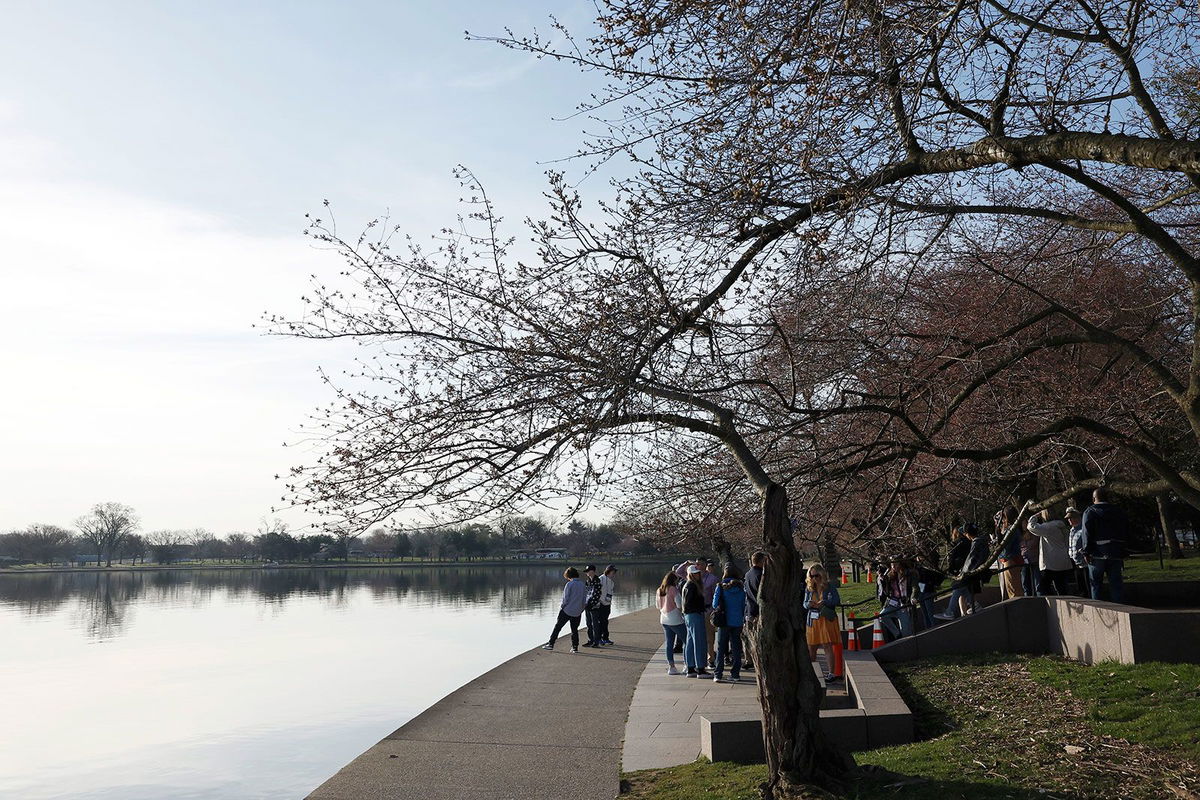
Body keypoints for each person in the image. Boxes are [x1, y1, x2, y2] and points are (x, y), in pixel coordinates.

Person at [1082, 487, 1129, 603]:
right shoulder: (1117, 511)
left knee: (1096, 584)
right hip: (1115, 552)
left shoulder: (1090, 512)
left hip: (1097, 553)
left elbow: (1087, 533)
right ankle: (1120, 609)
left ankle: (1098, 610)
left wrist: (1086, 551)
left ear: (1094, 498)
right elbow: (1125, 530)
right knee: (1116, 584)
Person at [804, 563, 841, 681]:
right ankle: (812, 673)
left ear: (822, 574)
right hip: (813, 620)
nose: (814, 578)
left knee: (827, 646)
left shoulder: (829, 587)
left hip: (825, 619)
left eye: (816, 575)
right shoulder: (809, 589)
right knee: (812, 648)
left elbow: (836, 600)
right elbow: (804, 604)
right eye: (812, 576)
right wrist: (808, 604)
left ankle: (831, 673)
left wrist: (824, 602)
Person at [711, 565, 746, 682]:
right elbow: (743, 605)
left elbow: (715, 604)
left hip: (723, 620)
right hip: (737, 621)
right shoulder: (741, 588)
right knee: (736, 648)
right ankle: (735, 674)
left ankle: (718, 674)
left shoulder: (720, 587)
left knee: (721, 648)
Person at [1027, 508, 1074, 595]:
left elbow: (1031, 526)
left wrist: (1035, 516)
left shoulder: (1048, 527)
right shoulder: (1061, 526)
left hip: (1050, 563)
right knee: (1061, 587)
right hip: (1063, 560)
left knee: (1044, 588)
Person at [542, 567, 586, 653]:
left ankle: (551, 644)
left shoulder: (569, 584)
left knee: (558, 627)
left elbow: (566, 599)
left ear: (569, 576)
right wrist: (581, 609)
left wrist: (562, 607)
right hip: (577, 611)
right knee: (574, 630)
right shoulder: (582, 584)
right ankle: (575, 647)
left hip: (567, 610)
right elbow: (584, 599)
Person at [876, 556, 919, 639]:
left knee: (906, 631)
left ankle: (908, 643)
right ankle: (897, 634)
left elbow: (915, 587)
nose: (893, 567)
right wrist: (883, 581)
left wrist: (913, 597)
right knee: (882, 616)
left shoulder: (910, 574)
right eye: (892, 565)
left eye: (895, 564)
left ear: (901, 564)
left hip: (904, 604)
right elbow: (887, 592)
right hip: (893, 602)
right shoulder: (890, 575)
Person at [935, 526, 972, 620]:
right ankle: (974, 604)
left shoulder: (959, 544)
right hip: (964, 569)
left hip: (960, 570)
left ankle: (950, 611)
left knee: (958, 589)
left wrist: (951, 568)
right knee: (961, 589)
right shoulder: (966, 543)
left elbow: (955, 558)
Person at [681, 565, 710, 677]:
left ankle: (691, 668)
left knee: (691, 642)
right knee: (699, 641)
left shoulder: (688, 585)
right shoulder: (692, 586)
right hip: (694, 615)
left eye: (698, 572)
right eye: (695, 573)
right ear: (691, 574)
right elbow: (690, 603)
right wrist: (701, 608)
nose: (698, 575)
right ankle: (700, 668)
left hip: (689, 615)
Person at [655, 571, 687, 675]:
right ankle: (687, 664)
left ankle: (671, 667)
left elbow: (657, 606)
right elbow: (679, 604)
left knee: (669, 643)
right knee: (686, 641)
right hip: (675, 619)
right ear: (673, 580)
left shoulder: (660, 590)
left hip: (664, 619)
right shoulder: (673, 589)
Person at [995, 506, 1025, 600]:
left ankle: (1017, 605)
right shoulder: (1015, 528)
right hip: (1012, 559)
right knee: (1014, 587)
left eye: (1003, 517)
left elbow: (1006, 546)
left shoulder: (1012, 530)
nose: (1002, 520)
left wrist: (999, 536)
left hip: (1010, 560)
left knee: (1013, 588)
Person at [742, 551, 765, 670]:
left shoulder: (747, 574)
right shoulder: (761, 575)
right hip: (757, 610)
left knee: (749, 637)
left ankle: (748, 659)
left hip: (749, 609)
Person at [1066, 507, 1089, 595]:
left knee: (1087, 584)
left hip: (1084, 561)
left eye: (1071, 518)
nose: (1070, 520)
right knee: (1080, 584)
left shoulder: (1082, 530)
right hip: (1075, 562)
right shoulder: (1071, 530)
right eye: (1068, 519)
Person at [581, 565, 603, 647]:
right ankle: (590, 640)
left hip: (594, 606)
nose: (587, 573)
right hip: (587, 605)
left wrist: (592, 604)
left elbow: (597, 594)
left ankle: (596, 641)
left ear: (593, 571)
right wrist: (585, 604)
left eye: (588, 571)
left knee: (595, 624)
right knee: (588, 623)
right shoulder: (587, 581)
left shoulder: (597, 581)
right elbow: (586, 593)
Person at [597, 564, 617, 645]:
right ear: (609, 571)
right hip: (600, 604)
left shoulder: (611, 582)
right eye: (613, 571)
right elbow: (597, 591)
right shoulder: (600, 579)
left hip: (607, 604)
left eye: (614, 572)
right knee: (600, 622)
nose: (614, 573)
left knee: (605, 622)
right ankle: (599, 638)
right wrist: (599, 601)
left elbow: (610, 593)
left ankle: (605, 638)